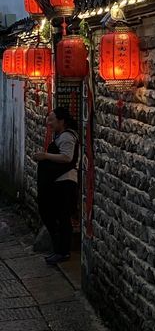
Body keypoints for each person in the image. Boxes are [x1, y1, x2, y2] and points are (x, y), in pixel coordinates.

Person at [34, 107, 79, 265]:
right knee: (57, 216)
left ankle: (63, 252)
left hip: (65, 183)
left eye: (52, 119)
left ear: (62, 121)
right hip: (59, 183)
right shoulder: (61, 135)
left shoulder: (67, 137)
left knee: (62, 218)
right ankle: (59, 250)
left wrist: (45, 156)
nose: (49, 122)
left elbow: (67, 157)